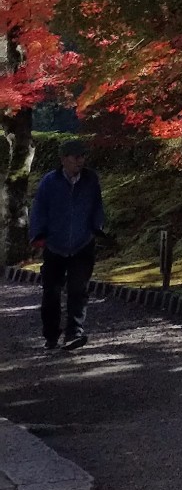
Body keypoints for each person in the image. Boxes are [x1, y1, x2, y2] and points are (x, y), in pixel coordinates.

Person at [28, 141, 105, 352]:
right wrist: (38, 234)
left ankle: (74, 333)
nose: (80, 161)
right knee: (51, 293)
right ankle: (51, 335)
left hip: (82, 244)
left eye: (82, 156)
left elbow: (97, 206)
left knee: (78, 289)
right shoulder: (49, 182)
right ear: (63, 159)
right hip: (54, 244)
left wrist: (97, 227)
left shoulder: (90, 180)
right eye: (75, 156)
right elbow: (39, 210)